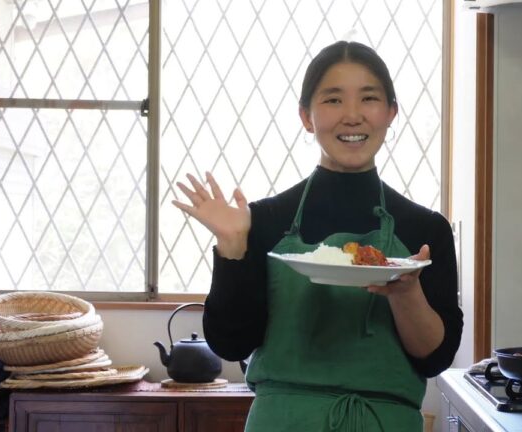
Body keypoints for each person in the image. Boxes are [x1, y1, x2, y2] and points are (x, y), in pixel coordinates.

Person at [173, 40, 463, 432]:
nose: (353, 115)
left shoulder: (425, 230)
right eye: (332, 100)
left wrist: (406, 291)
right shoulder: (265, 220)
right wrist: (233, 248)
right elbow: (231, 344)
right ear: (306, 117)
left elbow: (435, 359)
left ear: (391, 113)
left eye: (369, 98)